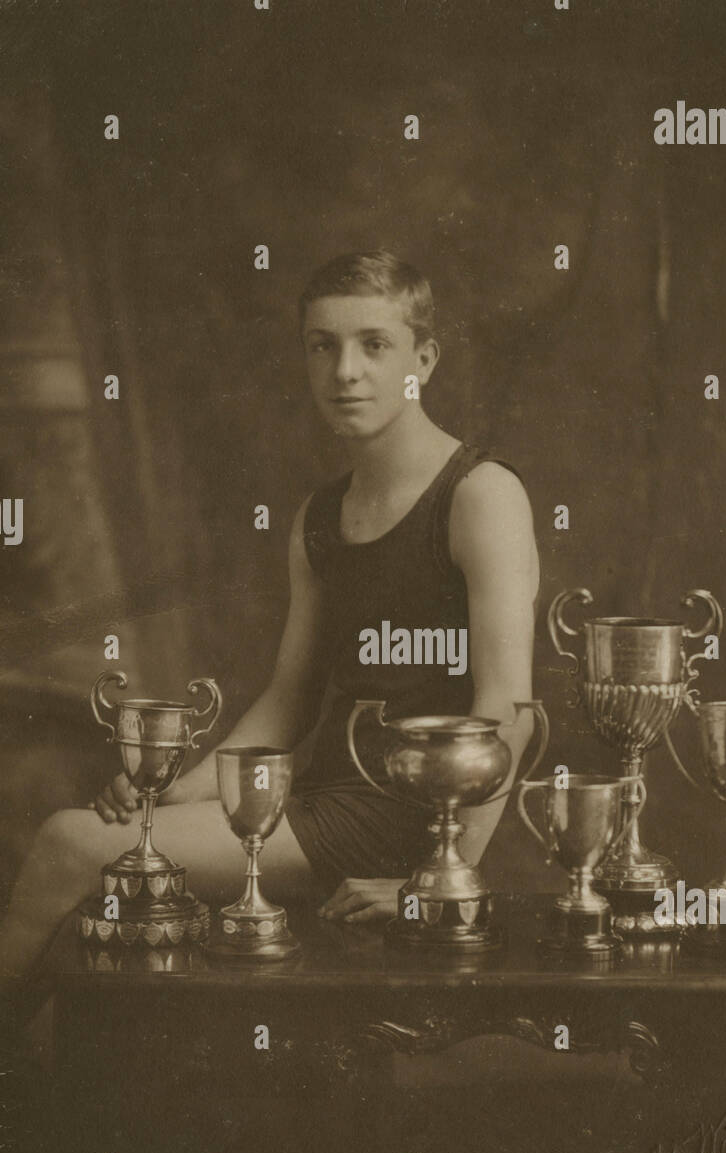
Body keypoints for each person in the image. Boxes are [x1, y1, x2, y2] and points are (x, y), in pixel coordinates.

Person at [0, 250, 540, 997]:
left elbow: (506, 707)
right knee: (95, 883)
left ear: (425, 358)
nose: (345, 370)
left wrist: (444, 880)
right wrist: (170, 791)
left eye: (374, 344)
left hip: (412, 824)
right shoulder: (320, 518)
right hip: (316, 802)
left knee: (67, 843)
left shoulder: (481, 496)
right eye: (323, 345)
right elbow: (288, 702)